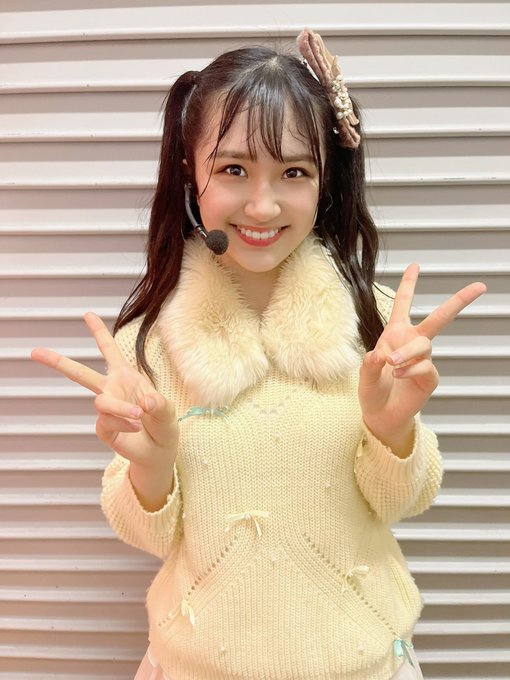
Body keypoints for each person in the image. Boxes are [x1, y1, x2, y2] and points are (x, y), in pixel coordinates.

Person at [31, 29, 486, 680]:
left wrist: (394, 432)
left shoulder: (379, 325)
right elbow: (149, 537)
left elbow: (403, 503)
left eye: (293, 172)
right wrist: (151, 469)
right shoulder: (148, 343)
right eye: (234, 169)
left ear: (325, 181)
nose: (263, 205)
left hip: (364, 664)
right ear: (190, 171)